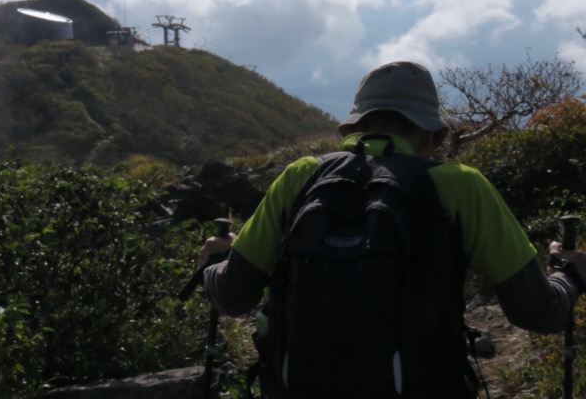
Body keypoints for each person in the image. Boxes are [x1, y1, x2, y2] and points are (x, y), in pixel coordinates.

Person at [198, 61, 586, 390]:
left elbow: (234, 297)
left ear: (354, 128)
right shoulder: (461, 185)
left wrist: (213, 265)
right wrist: (569, 274)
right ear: (430, 136)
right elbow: (539, 313)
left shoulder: (302, 176)